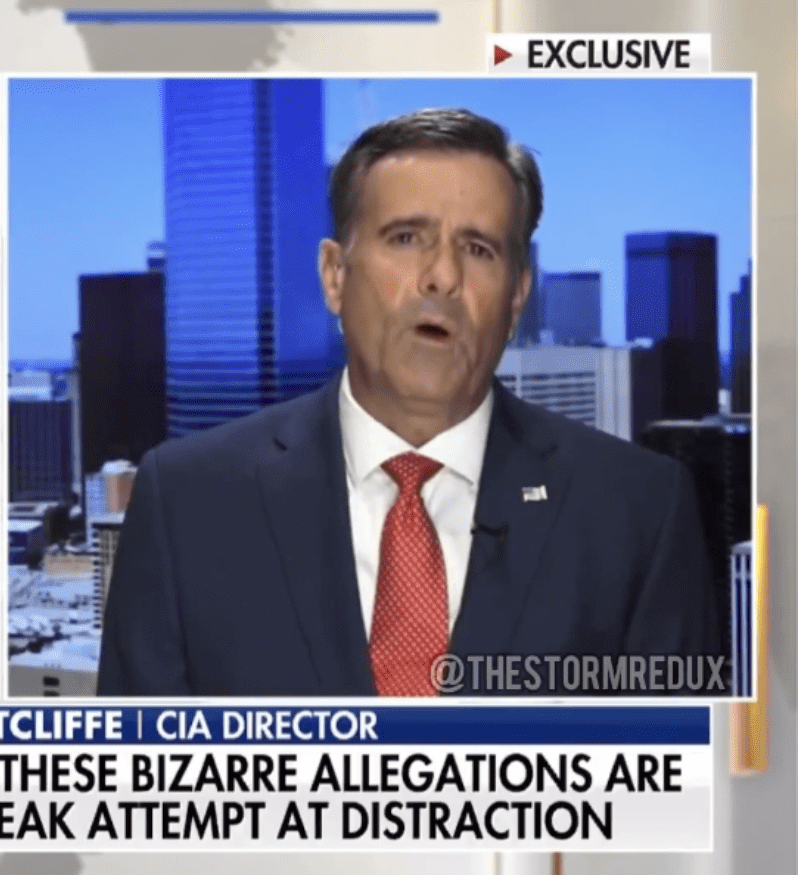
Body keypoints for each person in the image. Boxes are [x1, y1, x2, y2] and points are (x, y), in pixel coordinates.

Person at [97, 107, 722, 698]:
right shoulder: (187, 504)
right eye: (405, 238)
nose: (442, 276)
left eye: (478, 249)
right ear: (334, 275)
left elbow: (679, 774)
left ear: (516, 298)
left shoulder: (639, 513)